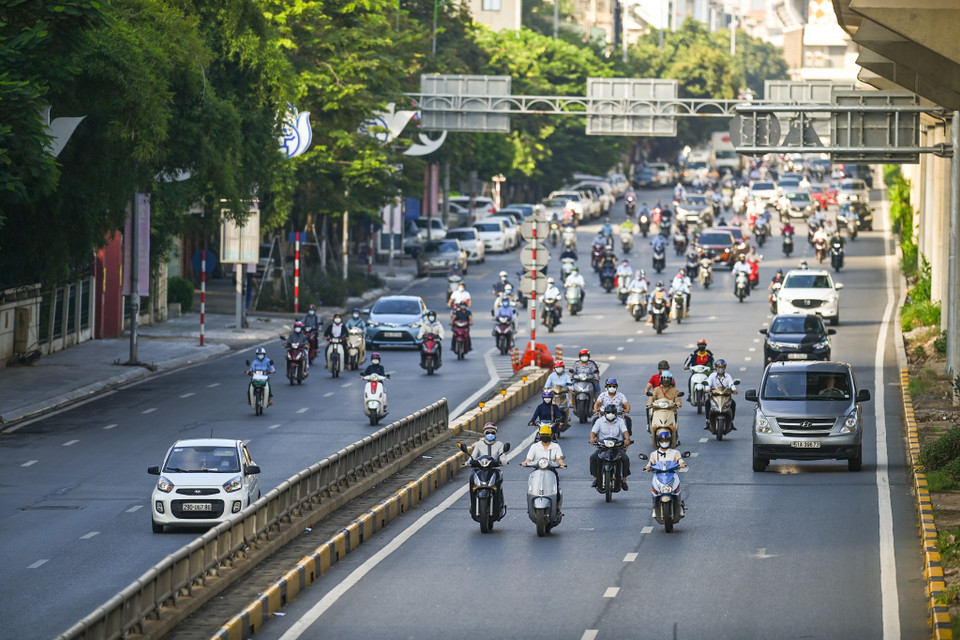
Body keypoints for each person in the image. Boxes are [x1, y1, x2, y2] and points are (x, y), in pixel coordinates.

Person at [589, 403, 632, 489]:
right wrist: (592, 439)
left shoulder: (620, 421)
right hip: (602, 447)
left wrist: (627, 439)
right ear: (605, 413)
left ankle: (624, 480)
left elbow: (625, 432)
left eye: (612, 412)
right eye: (608, 412)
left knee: (625, 459)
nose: (610, 414)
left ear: (616, 413)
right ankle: (596, 478)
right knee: (593, 458)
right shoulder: (599, 421)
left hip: (617, 447)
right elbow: (593, 432)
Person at [643, 435, 687, 518]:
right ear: (658, 441)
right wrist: (648, 467)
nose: (664, 442)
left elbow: (680, 460)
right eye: (662, 440)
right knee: (655, 490)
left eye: (666, 440)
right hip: (659, 475)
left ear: (670, 441)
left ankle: (680, 505)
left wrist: (682, 463)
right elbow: (650, 462)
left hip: (671, 474)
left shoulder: (675, 452)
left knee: (677, 488)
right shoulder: (654, 454)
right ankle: (654, 507)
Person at [705, 359, 737, 429]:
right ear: (716, 367)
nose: (720, 369)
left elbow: (731, 384)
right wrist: (707, 389)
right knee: (707, 403)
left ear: (725, 368)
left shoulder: (728, 376)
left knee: (733, 404)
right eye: (718, 367)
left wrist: (734, 390)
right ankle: (708, 420)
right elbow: (708, 383)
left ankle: (731, 421)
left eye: (722, 367)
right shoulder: (712, 376)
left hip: (726, 396)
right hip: (714, 396)